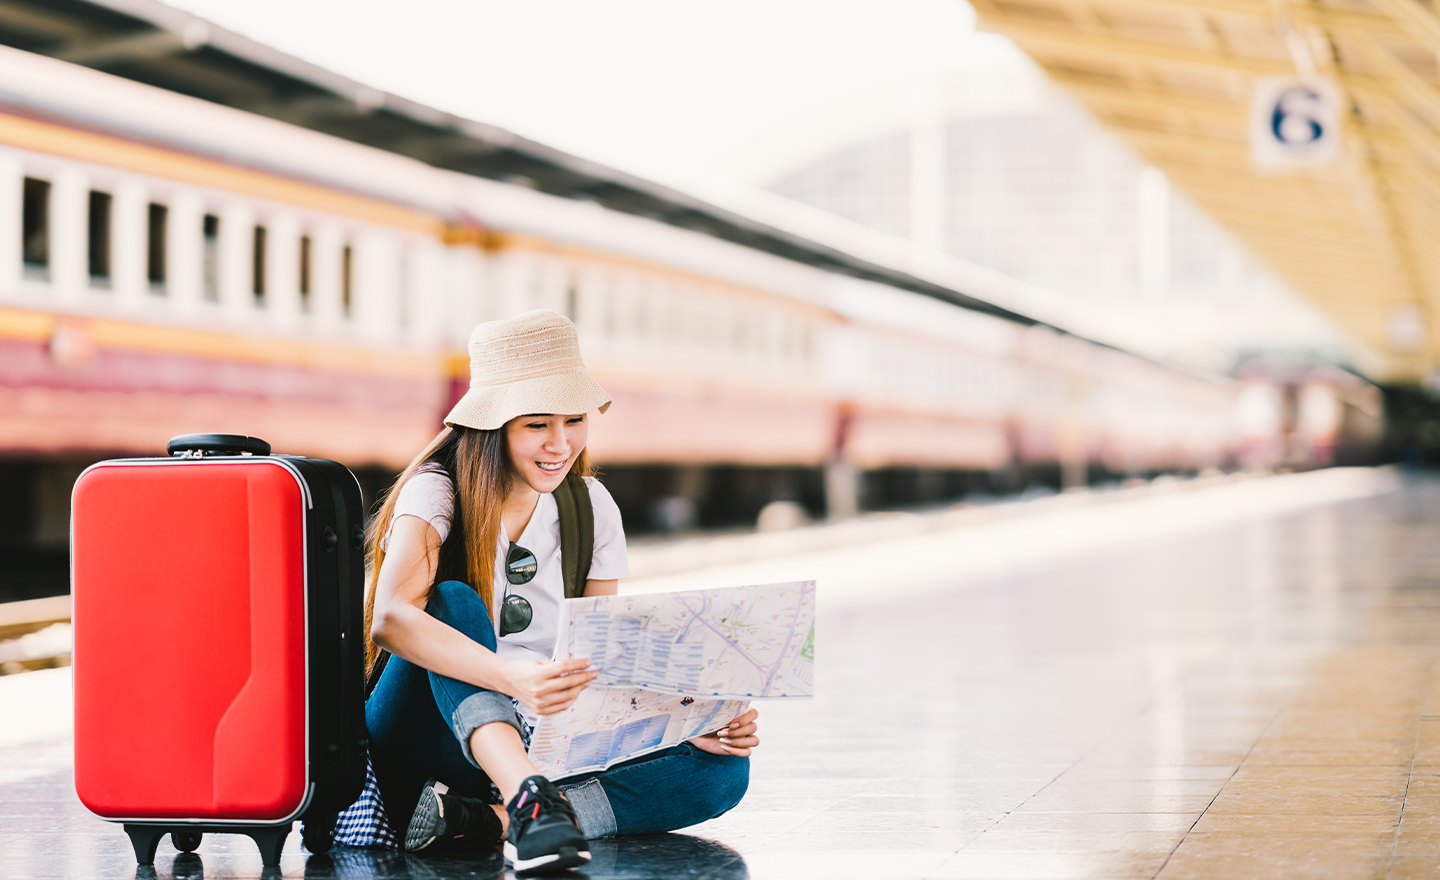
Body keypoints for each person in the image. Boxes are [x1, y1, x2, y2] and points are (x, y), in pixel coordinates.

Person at [359, 310, 758, 874]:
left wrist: (697, 718)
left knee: (721, 772)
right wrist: (512, 676)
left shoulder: (590, 508)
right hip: (429, 730)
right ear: (493, 428)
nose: (560, 443)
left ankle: (485, 820)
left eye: (574, 420)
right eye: (535, 424)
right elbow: (392, 619)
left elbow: (607, 656)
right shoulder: (437, 492)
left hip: (541, 737)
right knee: (453, 603)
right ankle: (528, 800)